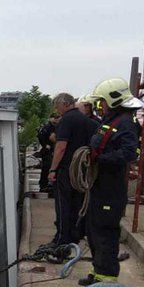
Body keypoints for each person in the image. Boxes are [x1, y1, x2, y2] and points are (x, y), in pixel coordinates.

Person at [78, 78, 142, 286]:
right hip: (100, 184)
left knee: (105, 231)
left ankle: (106, 278)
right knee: (93, 229)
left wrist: (100, 159)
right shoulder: (111, 121)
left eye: (102, 101)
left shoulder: (125, 123)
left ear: (113, 100)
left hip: (111, 187)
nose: (100, 105)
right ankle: (98, 271)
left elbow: (128, 153)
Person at [47, 92, 98, 255]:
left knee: (63, 205)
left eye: (57, 106)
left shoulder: (66, 120)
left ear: (64, 104)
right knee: (78, 204)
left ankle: (62, 239)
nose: (57, 109)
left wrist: (53, 169)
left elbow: (61, 147)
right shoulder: (89, 122)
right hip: (81, 172)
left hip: (66, 170)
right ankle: (75, 236)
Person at [36, 112, 60, 193]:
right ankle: (44, 185)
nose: (56, 120)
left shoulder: (56, 127)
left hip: (54, 150)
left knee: (52, 168)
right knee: (46, 168)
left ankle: (50, 185)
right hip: (47, 151)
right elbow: (41, 136)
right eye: (55, 118)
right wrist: (45, 145)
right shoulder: (47, 127)